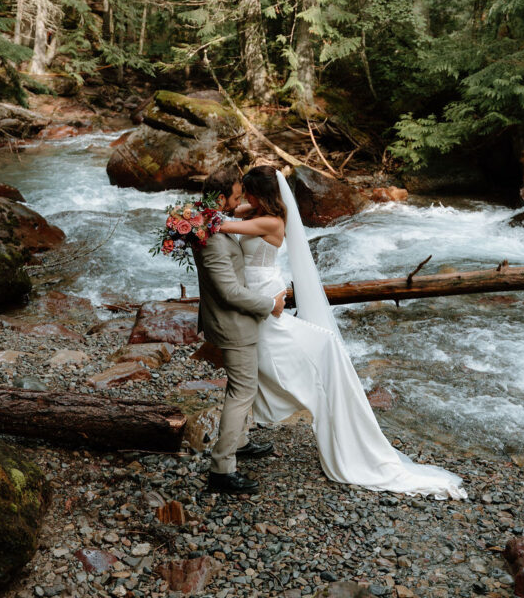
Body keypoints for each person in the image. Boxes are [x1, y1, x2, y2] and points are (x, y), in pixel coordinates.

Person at [218, 165, 467, 499]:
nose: (243, 198)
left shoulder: (271, 221)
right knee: (269, 364)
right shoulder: (259, 212)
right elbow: (233, 212)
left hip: (264, 301)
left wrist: (191, 219)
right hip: (259, 299)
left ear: (259, 195)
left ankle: (336, 418)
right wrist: (224, 206)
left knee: (308, 353)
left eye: (247, 192)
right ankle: (254, 429)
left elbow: (222, 224)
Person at [193, 166, 286, 495]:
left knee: (242, 386)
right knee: (242, 391)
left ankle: (241, 441)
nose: (239, 202)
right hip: (233, 324)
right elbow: (229, 292)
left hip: (233, 319)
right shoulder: (213, 239)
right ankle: (222, 469)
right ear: (220, 199)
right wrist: (269, 304)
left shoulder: (211, 220)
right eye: (235, 197)